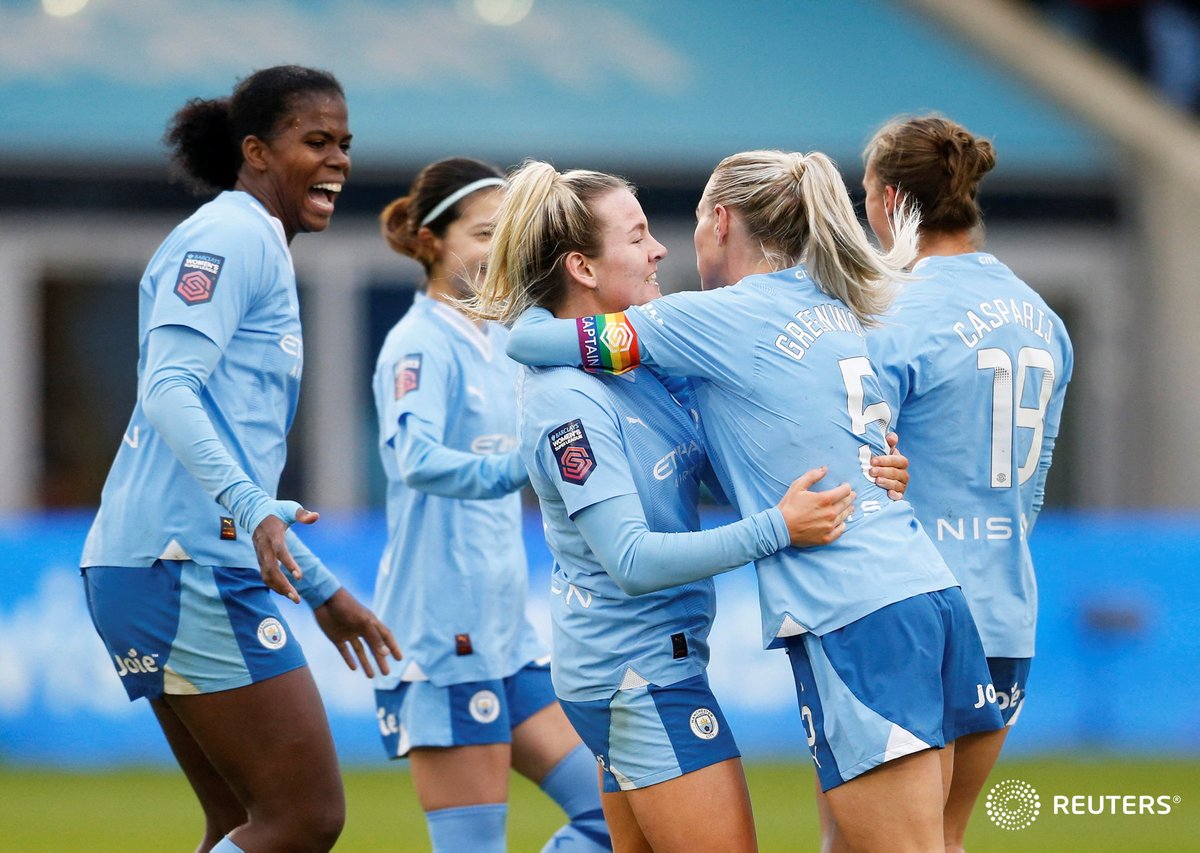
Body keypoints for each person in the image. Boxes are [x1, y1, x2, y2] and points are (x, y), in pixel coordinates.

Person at [503, 150, 1006, 852]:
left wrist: (860, 473)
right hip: (666, 659)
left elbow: (530, 339)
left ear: (722, 220)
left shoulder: (691, 341)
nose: (660, 250)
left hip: (853, 611)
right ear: (581, 267)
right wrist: (800, 513)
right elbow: (630, 555)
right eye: (639, 234)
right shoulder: (809, 308)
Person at [79, 65, 401, 853]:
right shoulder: (231, 235)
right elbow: (169, 386)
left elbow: (222, 446)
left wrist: (320, 588)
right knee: (305, 817)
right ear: (255, 151)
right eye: (315, 141)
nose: (338, 160)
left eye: (345, 144)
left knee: (241, 824)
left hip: (157, 561)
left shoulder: (252, 240)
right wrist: (254, 507)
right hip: (182, 564)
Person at [371, 157, 611, 853]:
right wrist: (520, 467)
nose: (495, 249)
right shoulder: (417, 343)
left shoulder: (508, 336)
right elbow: (413, 460)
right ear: (431, 241)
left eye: (505, 233)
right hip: (445, 635)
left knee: (616, 814)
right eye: (482, 232)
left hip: (507, 637)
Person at [862, 115, 1073, 853]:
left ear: (889, 200)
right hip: (1005, 606)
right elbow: (1034, 483)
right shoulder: (1043, 319)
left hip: (906, 608)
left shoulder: (891, 313)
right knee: (944, 838)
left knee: (869, 839)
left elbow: (861, 461)